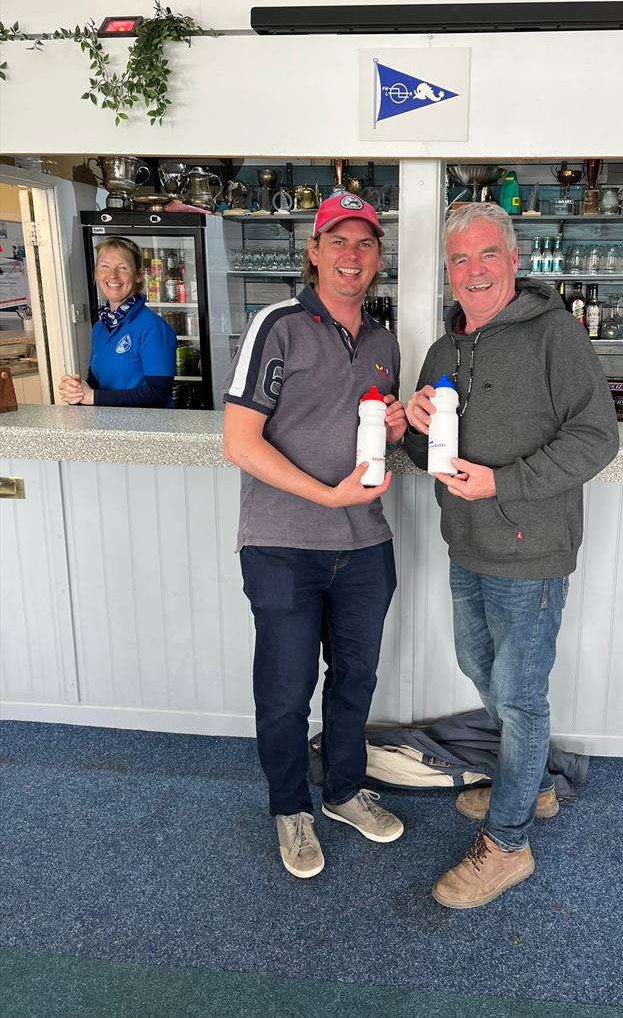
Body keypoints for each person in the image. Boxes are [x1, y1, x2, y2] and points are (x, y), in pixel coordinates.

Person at [404, 203, 619, 909]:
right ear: (447, 270)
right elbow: (423, 457)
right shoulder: (444, 350)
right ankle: (538, 783)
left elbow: (597, 438)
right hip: (465, 543)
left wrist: (505, 481)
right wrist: (412, 429)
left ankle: (509, 842)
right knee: (480, 666)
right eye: (459, 259)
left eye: (486, 255)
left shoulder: (554, 333)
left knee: (521, 698)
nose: (473, 270)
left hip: (532, 550)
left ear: (514, 260)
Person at [222, 194, 407, 880]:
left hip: (365, 543)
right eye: (339, 241)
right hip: (282, 543)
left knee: (356, 678)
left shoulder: (385, 342)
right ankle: (289, 806)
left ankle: (343, 790)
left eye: (365, 243)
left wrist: (396, 428)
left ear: (378, 257)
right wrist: (326, 495)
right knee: (286, 687)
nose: (351, 255)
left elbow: (377, 438)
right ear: (314, 249)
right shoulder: (278, 326)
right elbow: (238, 441)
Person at [58, 238, 177, 408]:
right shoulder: (100, 328)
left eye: (122, 268)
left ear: (137, 275)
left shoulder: (152, 327)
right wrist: (77, 390)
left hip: (148, 430)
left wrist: (93, 397)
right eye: (105, 267)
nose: (112, 275)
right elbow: (96, 385)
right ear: (96, 274)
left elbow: (157, 393)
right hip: (108, 426)